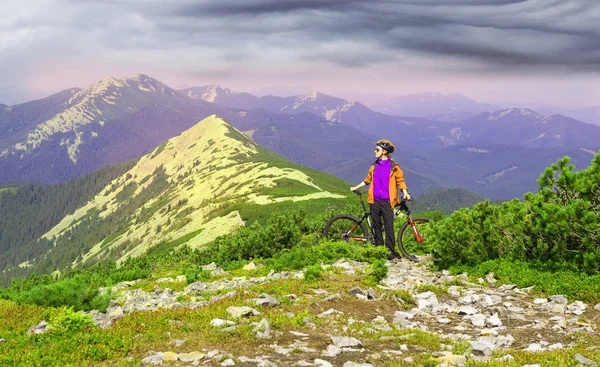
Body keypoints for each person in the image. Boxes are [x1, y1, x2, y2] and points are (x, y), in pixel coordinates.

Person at [350, 139, 411, 260]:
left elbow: (400, 180)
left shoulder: (394, 167)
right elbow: (367, 180)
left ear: (384, 151)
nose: (375, 151)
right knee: (376, 227)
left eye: (377, 150)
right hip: (374, 201)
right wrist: (356, 187)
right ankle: (379, 251)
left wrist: (405, 192)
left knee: (389, 227)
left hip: (388, 201)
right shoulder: (374, 166)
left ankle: (390, 252)